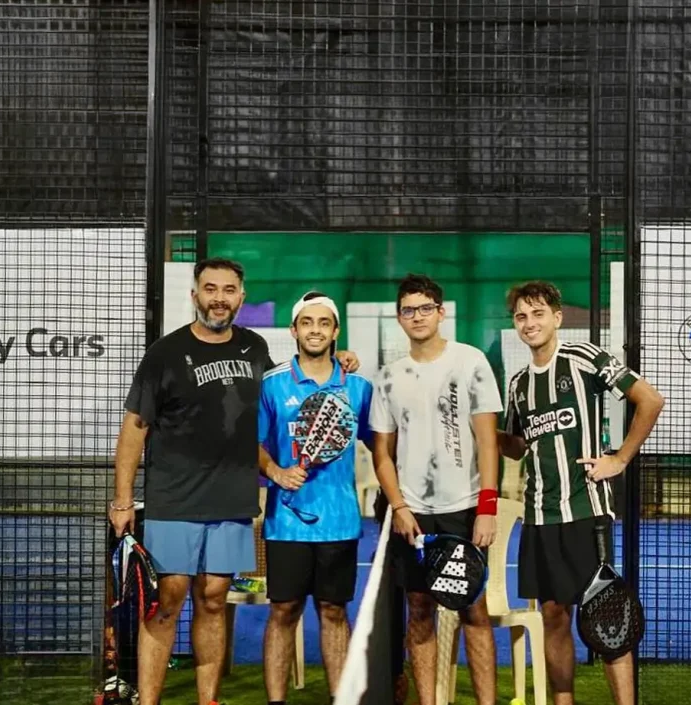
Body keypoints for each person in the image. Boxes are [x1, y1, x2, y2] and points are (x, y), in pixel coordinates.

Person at [109, 259, 360, 705]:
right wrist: (123, 499)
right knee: (167, 602)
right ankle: (148, 701)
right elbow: (134, 427)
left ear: (241, 299)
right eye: (210, 289)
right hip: (174, 500)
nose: (219, 298)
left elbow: (292, 384)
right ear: (195, 295)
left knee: (213, 599)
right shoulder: (165, 353)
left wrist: (335, 359)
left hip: (232, 502)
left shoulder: (254, 348)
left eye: (229, 290)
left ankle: (209, 699)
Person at [496, 280, 665, 705]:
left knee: (607, 614)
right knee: (553, 616)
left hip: (586, 512)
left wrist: (620, 459)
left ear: (557, 317)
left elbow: (650, 400)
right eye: (521, 316)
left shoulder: (586, 359)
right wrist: (483, 429)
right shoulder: (517, 384)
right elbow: (517, 446)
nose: (529, 323)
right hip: (539, 517)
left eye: (537, 314)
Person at [369, 273, 503, 705]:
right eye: (409, 310)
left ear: (441, 313)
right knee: (420, 609)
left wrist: (487, 506)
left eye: (426, 308)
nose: (417, 316)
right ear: (399, 317)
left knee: (473, 610)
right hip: (413, 515)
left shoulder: (470, 362)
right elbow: (382, 454)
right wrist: (400, 506)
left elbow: (488, 441)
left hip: (464, 509)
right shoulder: (389, 377)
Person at [258, 291, 374, 705]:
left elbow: (381, 446)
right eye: (307, 322)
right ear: (294, 330)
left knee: (333, 612)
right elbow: (254, 444)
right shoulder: (272, 385)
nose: (315, 330)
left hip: (340, 521)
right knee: (283, 612)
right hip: (284, 523)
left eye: (324, 323)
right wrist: (275, 471)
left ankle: (340, 699)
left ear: (336, 331)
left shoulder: (358, 387)